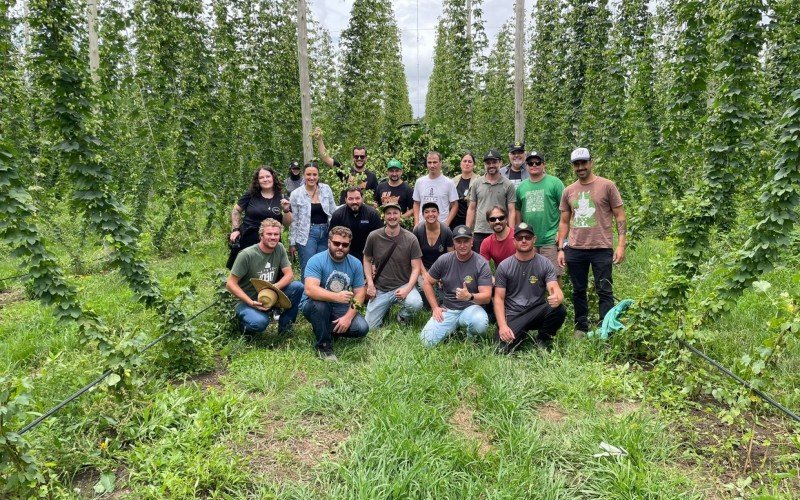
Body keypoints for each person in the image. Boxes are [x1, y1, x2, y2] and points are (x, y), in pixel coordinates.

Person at [557, 147, 626, 338]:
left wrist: (621, 245)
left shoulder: (607, 186)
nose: (580, 167)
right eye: (576, 164)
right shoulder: (569, 190)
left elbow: (620, 216)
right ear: (573, 166)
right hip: (575, 248)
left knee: (604, 288)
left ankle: (606, 327)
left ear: (591, 162)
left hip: (601, 247)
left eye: (583, 163)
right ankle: (581, 327)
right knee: (579, 290)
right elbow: (564, 221)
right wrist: (561, 248)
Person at [494, 222, 566, 354]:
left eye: (527, 237)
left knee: (559, 310)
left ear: (534, 239)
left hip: (536, 311)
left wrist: (558, 297)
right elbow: (498, 298)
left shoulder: (545, 263)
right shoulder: (504, 266)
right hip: (513, 313)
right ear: (514, 241)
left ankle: (543, 338)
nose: (524, 240)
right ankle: (520, 334)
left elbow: (554, 288)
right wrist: (503, 326)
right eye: (520, 238)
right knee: (501, 350)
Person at [301, 226, 369, 361]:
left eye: (345, 244)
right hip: (314, 305)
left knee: (362, 329)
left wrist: (348, 318)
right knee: (320, 306)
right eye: (336, 243)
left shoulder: (355, 263)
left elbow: (360, 293)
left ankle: (324, 327)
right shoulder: (316, 260)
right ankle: (324, 346)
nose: (340, 247)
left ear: (349, 245)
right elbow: (310, 290)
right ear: (329, 242)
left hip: (340, 307)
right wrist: (336, 296)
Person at [227, 219, 304, 336]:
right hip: (246, 300)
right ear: (261, 236)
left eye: (276, 234)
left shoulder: (279, 248)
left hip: (269, 296)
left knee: (298, 287)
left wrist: (273, 288)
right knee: (260, 322)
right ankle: (244, 327)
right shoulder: (247, 255)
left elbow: (289, 275)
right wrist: (250, 302)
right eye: (269, 234)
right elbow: (230, 284)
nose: (273, 237)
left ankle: (285, 328)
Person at [419, 225, 493, 347]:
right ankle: (451, 329)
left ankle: (471, 341)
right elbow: (427, 282)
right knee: (426, 342)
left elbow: (487, 297)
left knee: (480, 323)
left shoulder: (481, 264)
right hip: (448, 309)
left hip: (471, 307)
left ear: (472, 242)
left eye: (466, 241)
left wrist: (469, 296)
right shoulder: (444, 260)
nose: (462, 245)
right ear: (453, 242)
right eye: (459, 241)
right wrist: (435, 307)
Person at [363, 204, 424, 329]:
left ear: (400, 215)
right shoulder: (374, 236)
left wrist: (407, 289)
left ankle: (402, 316)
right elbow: (367, 259)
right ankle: (383, 310)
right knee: (369, 327)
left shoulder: (411, 238)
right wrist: (370, 283)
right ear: (384, 216)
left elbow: (416, 268)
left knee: (416, 304)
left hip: (403, 285)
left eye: (395, 213)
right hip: (381, 288)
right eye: (388, 213)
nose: (392, 216)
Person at [227, 166, 292, 269]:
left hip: (272, 239)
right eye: (261, 177)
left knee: (269, 271)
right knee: (246, 271)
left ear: (273, 178)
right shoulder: (251, 195)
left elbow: (287, 224)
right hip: (248, 238)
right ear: (257, 180)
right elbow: (236, 210)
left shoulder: (282, 197)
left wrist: (286, 210)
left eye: (268, 176)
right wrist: (235, 229)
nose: (265, 179)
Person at [515, 151, 565, 281]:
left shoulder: (555, 183)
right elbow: (517, 211)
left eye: (538, 162)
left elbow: (566, 210)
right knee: (530, 278)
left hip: (550, 239)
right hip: (528, 239)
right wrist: (518, 233)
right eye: (531, 163)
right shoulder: (521, 187)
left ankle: (556, 302)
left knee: (553, 276)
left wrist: (562, 233)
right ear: (526, 166)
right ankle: (536, 302)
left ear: (544, 164)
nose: (534, 165)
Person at [289, 162, 337, 278]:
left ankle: (322, 295)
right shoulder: (296, 194)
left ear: (318, 175)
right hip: (306, 235)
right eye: (308, 174)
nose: (311, 177)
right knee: (309, 267)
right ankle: (306, 296)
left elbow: (333, 210)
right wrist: (292, 243)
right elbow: (293, 220)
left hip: (326, 232)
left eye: (314, 174)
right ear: (303, 175)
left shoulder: (326, 189)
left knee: (325, 266)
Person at [466, 149, 516, 251]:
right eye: (488, 163)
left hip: (501, 229)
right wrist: (467, 231)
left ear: (500, 163)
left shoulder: (508, 184)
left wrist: (511, 232)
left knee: (503, 263)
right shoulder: (477, 183)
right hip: (480, 230)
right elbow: (471, 208)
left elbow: (511, 211)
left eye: (494, 162)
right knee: (479, 263)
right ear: (484, 165)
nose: (491, 165)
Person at [313, 126, 378, 204]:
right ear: (353, 158)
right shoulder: (345, 171)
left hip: (363, 214)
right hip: (345, 213)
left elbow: (375, 199)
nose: (359, 158)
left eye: (362, 156)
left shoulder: (372, 176)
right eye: (356, 156)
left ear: (366, 158)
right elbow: (326, 158)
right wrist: (319, 139)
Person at [412, 202, 454, 306]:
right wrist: (424, 273)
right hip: (423, 267)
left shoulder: (446, 231)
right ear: (423, 215)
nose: (430, 214)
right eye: (427, 212)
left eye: (433, 211)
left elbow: (451, 255)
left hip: (442, 269)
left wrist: (445, 275)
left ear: (438, 213)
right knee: (424, 295)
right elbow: (416, 256)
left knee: (443, 298)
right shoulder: (417, 230)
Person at [328, 187, 384, 261]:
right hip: (344, 254)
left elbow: (379, 238)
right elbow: (332, 238)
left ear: (362, 199)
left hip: (367, 254)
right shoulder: (338, 215)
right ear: (345, 200)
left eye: (357, 198)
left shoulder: (372, 214)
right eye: (350, 199)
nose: (354, 201)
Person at [412, 151, 459, 227]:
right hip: (423, 226)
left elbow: (455, 205)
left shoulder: (449, 183)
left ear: (440, 163)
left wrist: (446, 223)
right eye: (429, 163)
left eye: (435, 162)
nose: (432, 165)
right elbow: (416, 203)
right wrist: (416, 223)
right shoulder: (419, 182)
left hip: (441, 226)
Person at [450, 152, 478, 229]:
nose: (467, 164)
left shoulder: (479, 181)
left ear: (474, 165)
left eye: (470, 161)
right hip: (453, 222)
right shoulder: (453, 181)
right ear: (460, 163)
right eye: (464, 161)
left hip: (471, 222)